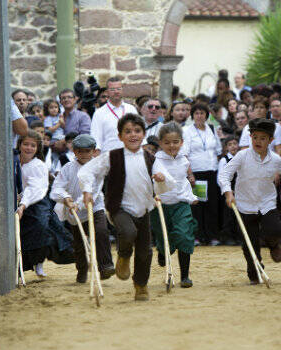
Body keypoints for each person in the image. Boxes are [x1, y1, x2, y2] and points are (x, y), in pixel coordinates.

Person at [78, 113, 174, 301]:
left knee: (145, 251)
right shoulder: (111, 157)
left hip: (143, 209)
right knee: (128, 232)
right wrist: (87, 190)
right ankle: (123, 256)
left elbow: (166, 182)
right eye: (128, 131)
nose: (133, 135)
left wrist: (161, 180)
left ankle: (141, 285)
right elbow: (88, 171)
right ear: (120, 135)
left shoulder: (150, 158)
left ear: (143, 134)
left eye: (137, 131)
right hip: (119, 208)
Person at [219, 118, 281, 284]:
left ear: (271, 140)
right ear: (250, 138)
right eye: (255, 137)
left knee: (275, 229)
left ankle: (274, 244)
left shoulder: (275, 159)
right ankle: (254, 273)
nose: (258, 141)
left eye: (263, 138)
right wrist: (228, 192)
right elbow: (225, 174)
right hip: (244, 204)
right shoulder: (242, 155)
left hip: (267, 203)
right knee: (249, 243)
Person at [50, 134, 115, 283]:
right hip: (73, 211)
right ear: (74, 151)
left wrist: (79, 203)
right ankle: (82, 270)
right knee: (79, 244)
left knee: (101, 232)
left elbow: (95, 188)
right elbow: (57, 187)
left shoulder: (98, 167)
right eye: (80, 151)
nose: (84, 154)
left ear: (93, 151)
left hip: (94, 206)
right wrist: (66, 199)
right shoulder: (67, 168)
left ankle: (105, 265)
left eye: (87, 151)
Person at [16, 130, 73, 278]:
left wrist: (23, 204)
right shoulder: (14, 162)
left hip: (36, 202)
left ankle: (39, 263)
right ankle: (19, 268)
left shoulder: (38, 165)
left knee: (41, 227)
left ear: (37, 149)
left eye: (32, 145)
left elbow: (35, 188)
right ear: (19, 145)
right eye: (25, 144)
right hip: (17, 202)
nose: (28, 148)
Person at [150, 124, 198, 288]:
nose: (172, 146)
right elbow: (157, 173)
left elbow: (183, 181)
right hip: (160, 206)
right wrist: (159, 177)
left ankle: (185, 276)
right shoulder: (156, 160)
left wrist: (191, 197)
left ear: (181, 142)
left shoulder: (184, 159)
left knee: (184, 236)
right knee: (165, 240)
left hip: (181, 205)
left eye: (175, 142)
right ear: (160, 143)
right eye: (167, 142)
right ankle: (162, 251)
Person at [181, 103, 222, 246]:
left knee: (212, 205)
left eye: (202, 113)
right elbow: (184, 154)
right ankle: (197, 236)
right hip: (196, 173)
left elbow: (218, 150)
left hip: (211, 171)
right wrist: (190, 174)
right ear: (192, 116)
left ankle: (212, 236)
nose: (199, 116)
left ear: (207, 115)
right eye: (196, 113)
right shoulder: (187, 131)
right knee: (197, 205)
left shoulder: (212, 129)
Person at [90, 77, 138, 154]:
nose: (116, 92)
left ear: (122, 90)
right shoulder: (99, 113)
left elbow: (139, 131)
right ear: (107, 92)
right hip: (108, 156)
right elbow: (95, 138)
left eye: (118, 89)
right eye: (112, 89)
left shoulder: (131, 109)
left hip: (130, 154)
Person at [217, 136, 240, 246]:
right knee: (229, 215)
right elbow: (220, 178)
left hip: (240, 191)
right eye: (230, 145)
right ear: (226, 147)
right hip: (229, 192)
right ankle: (228, 237)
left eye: (235, 144)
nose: (233, 147)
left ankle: (239, 236)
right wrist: (228, 191)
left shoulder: (241, 158)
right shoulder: (224, 160)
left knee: (239, 215)